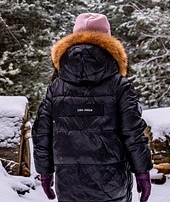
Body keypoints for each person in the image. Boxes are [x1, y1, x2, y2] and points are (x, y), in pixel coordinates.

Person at [32, 12, 153, 202]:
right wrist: (142, 171)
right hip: (113, 183)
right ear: (108, 41)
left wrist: (45, 172)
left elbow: (42, 133)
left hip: (69, 184)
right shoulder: (119, 85)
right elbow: (133, 133)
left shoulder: (56, 87)